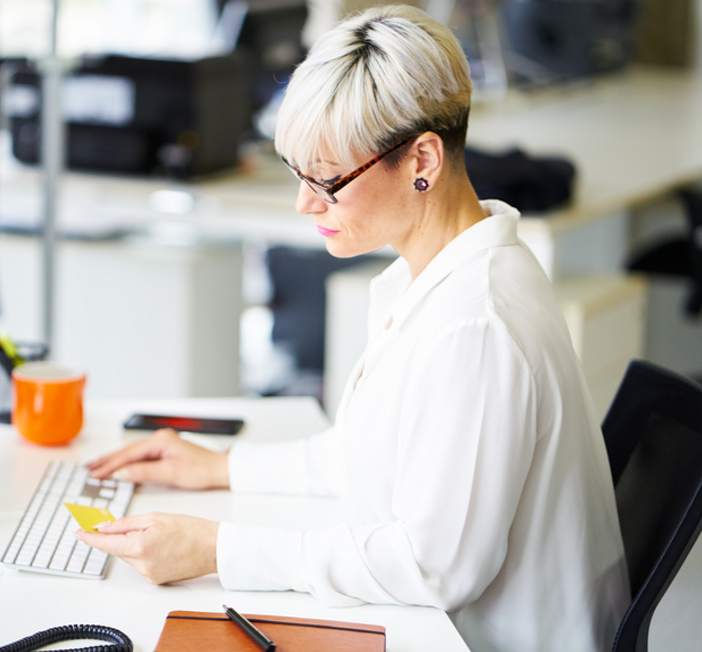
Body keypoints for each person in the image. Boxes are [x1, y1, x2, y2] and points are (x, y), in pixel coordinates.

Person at [76, 6, 629, 652]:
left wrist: (216, 548)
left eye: (328, 180)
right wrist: (220, 467)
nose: (305, 204)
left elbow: (435, 567)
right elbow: (368, 457)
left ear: (423, 158)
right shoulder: (443, 270)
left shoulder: (476, 322)